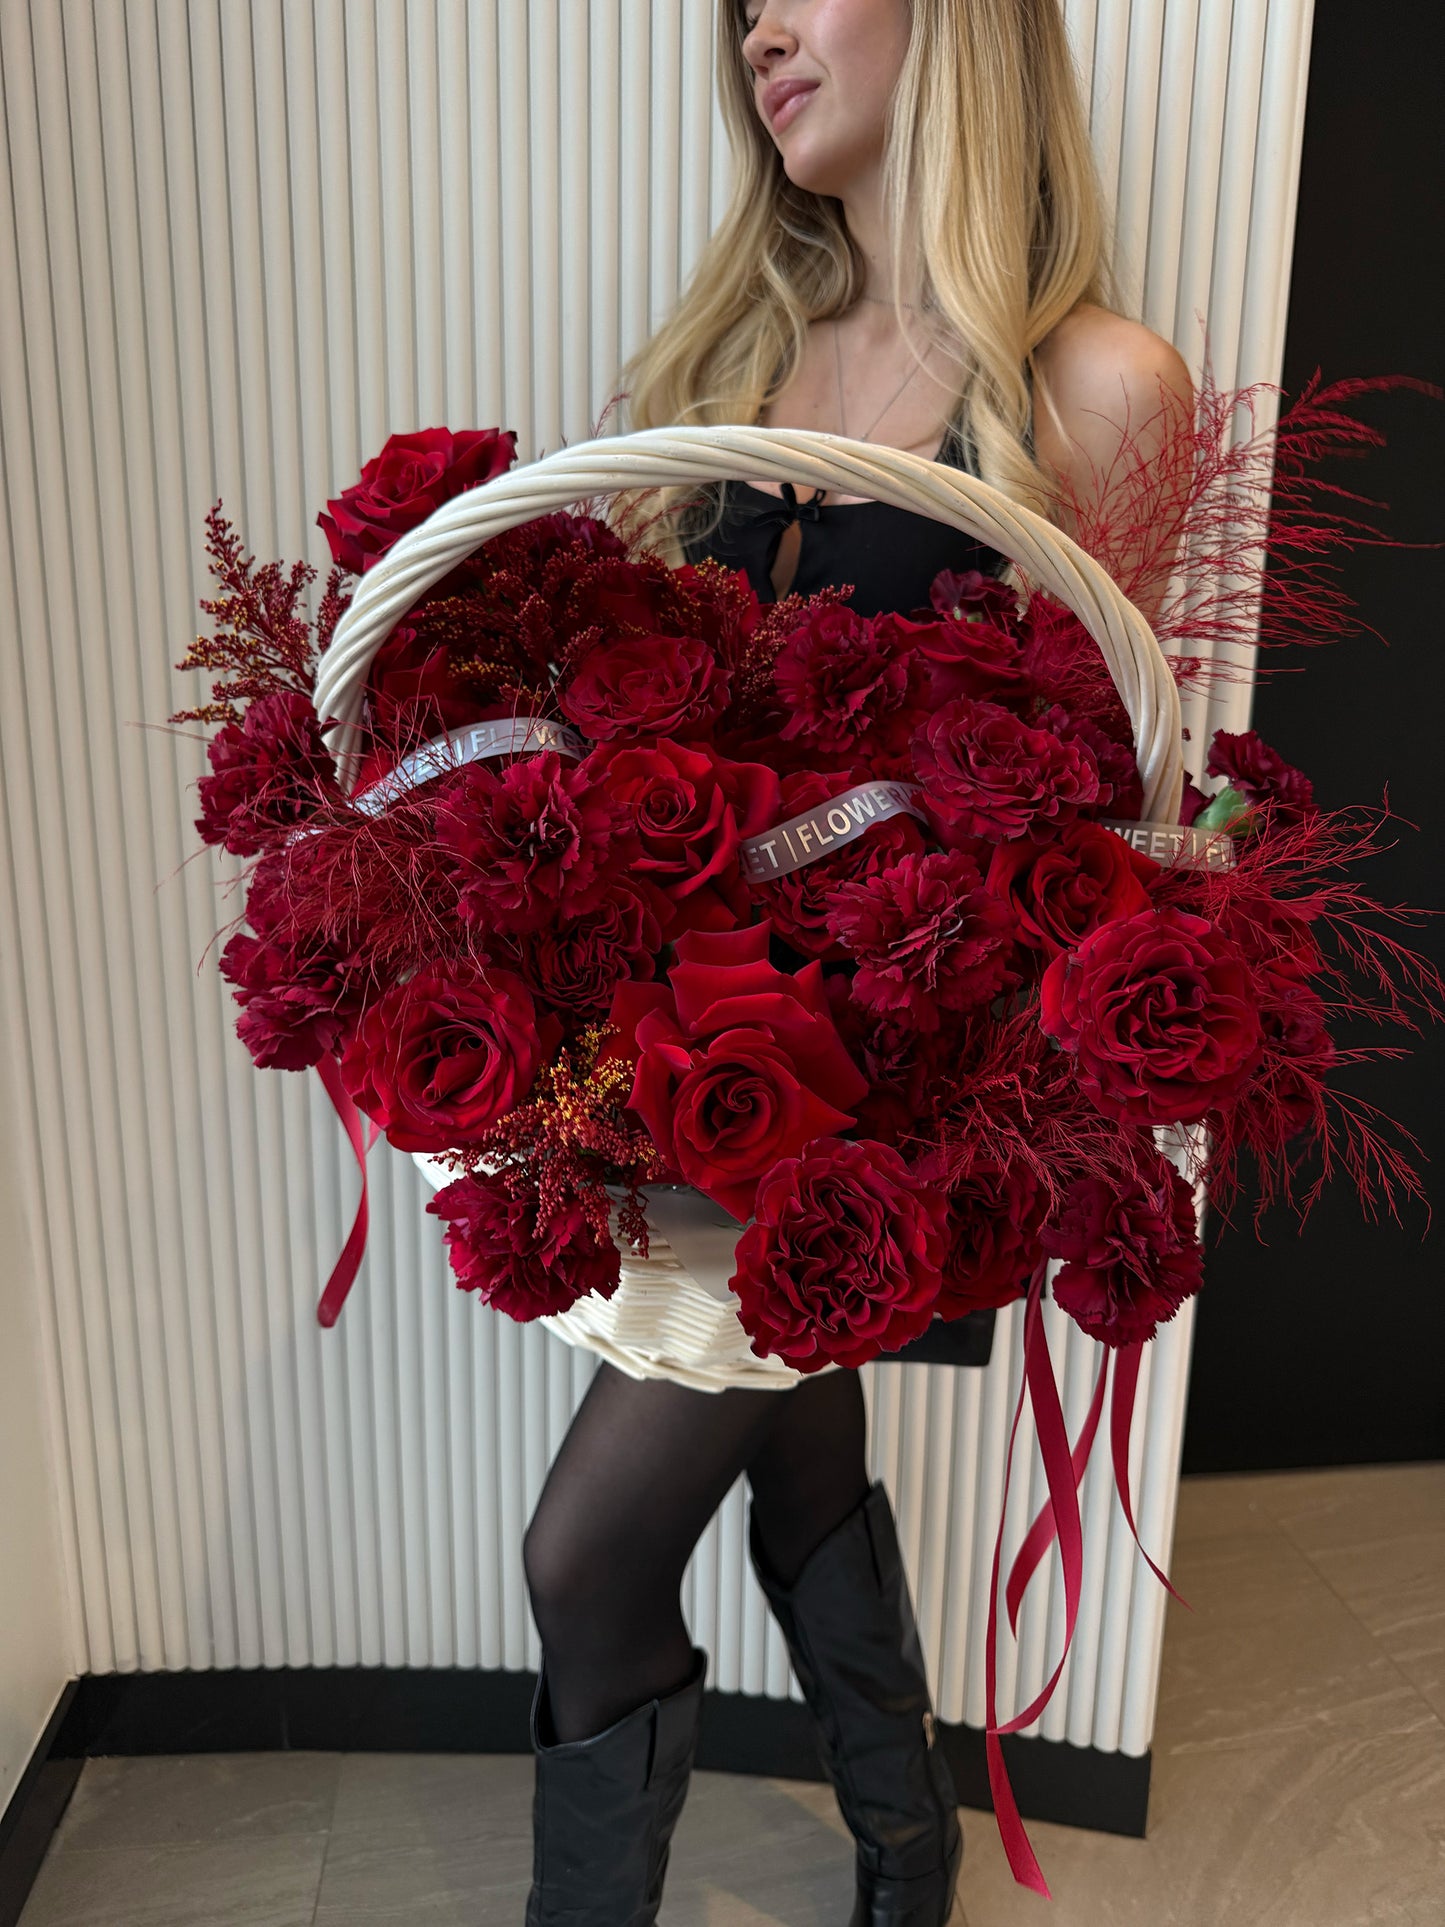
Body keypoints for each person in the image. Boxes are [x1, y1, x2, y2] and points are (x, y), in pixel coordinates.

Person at [520, 4, 1194, 1923]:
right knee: (800, 1458)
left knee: (585, 1559)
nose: (752, 30)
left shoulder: (1096, 388)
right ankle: (912, 1863)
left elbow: (1113, 819)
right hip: (694, 1075)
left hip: (877, 1113)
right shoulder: (743, 366)